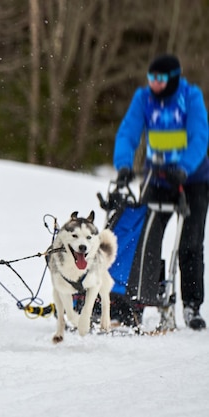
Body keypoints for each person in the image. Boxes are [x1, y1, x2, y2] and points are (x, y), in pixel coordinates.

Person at [113, 53, 209, 330]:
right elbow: (128, 134)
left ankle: (192, 306)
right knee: (145, 239)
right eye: (151, 78)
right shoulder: (143, 98)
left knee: (191, 244)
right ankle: (139, 299)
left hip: (193, 179)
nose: (154, 84)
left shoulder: (190, 97)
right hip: (158, 179)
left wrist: (185, 167)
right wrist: (123, 165)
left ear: (173, 78)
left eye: (160, 79)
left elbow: (199, 136)